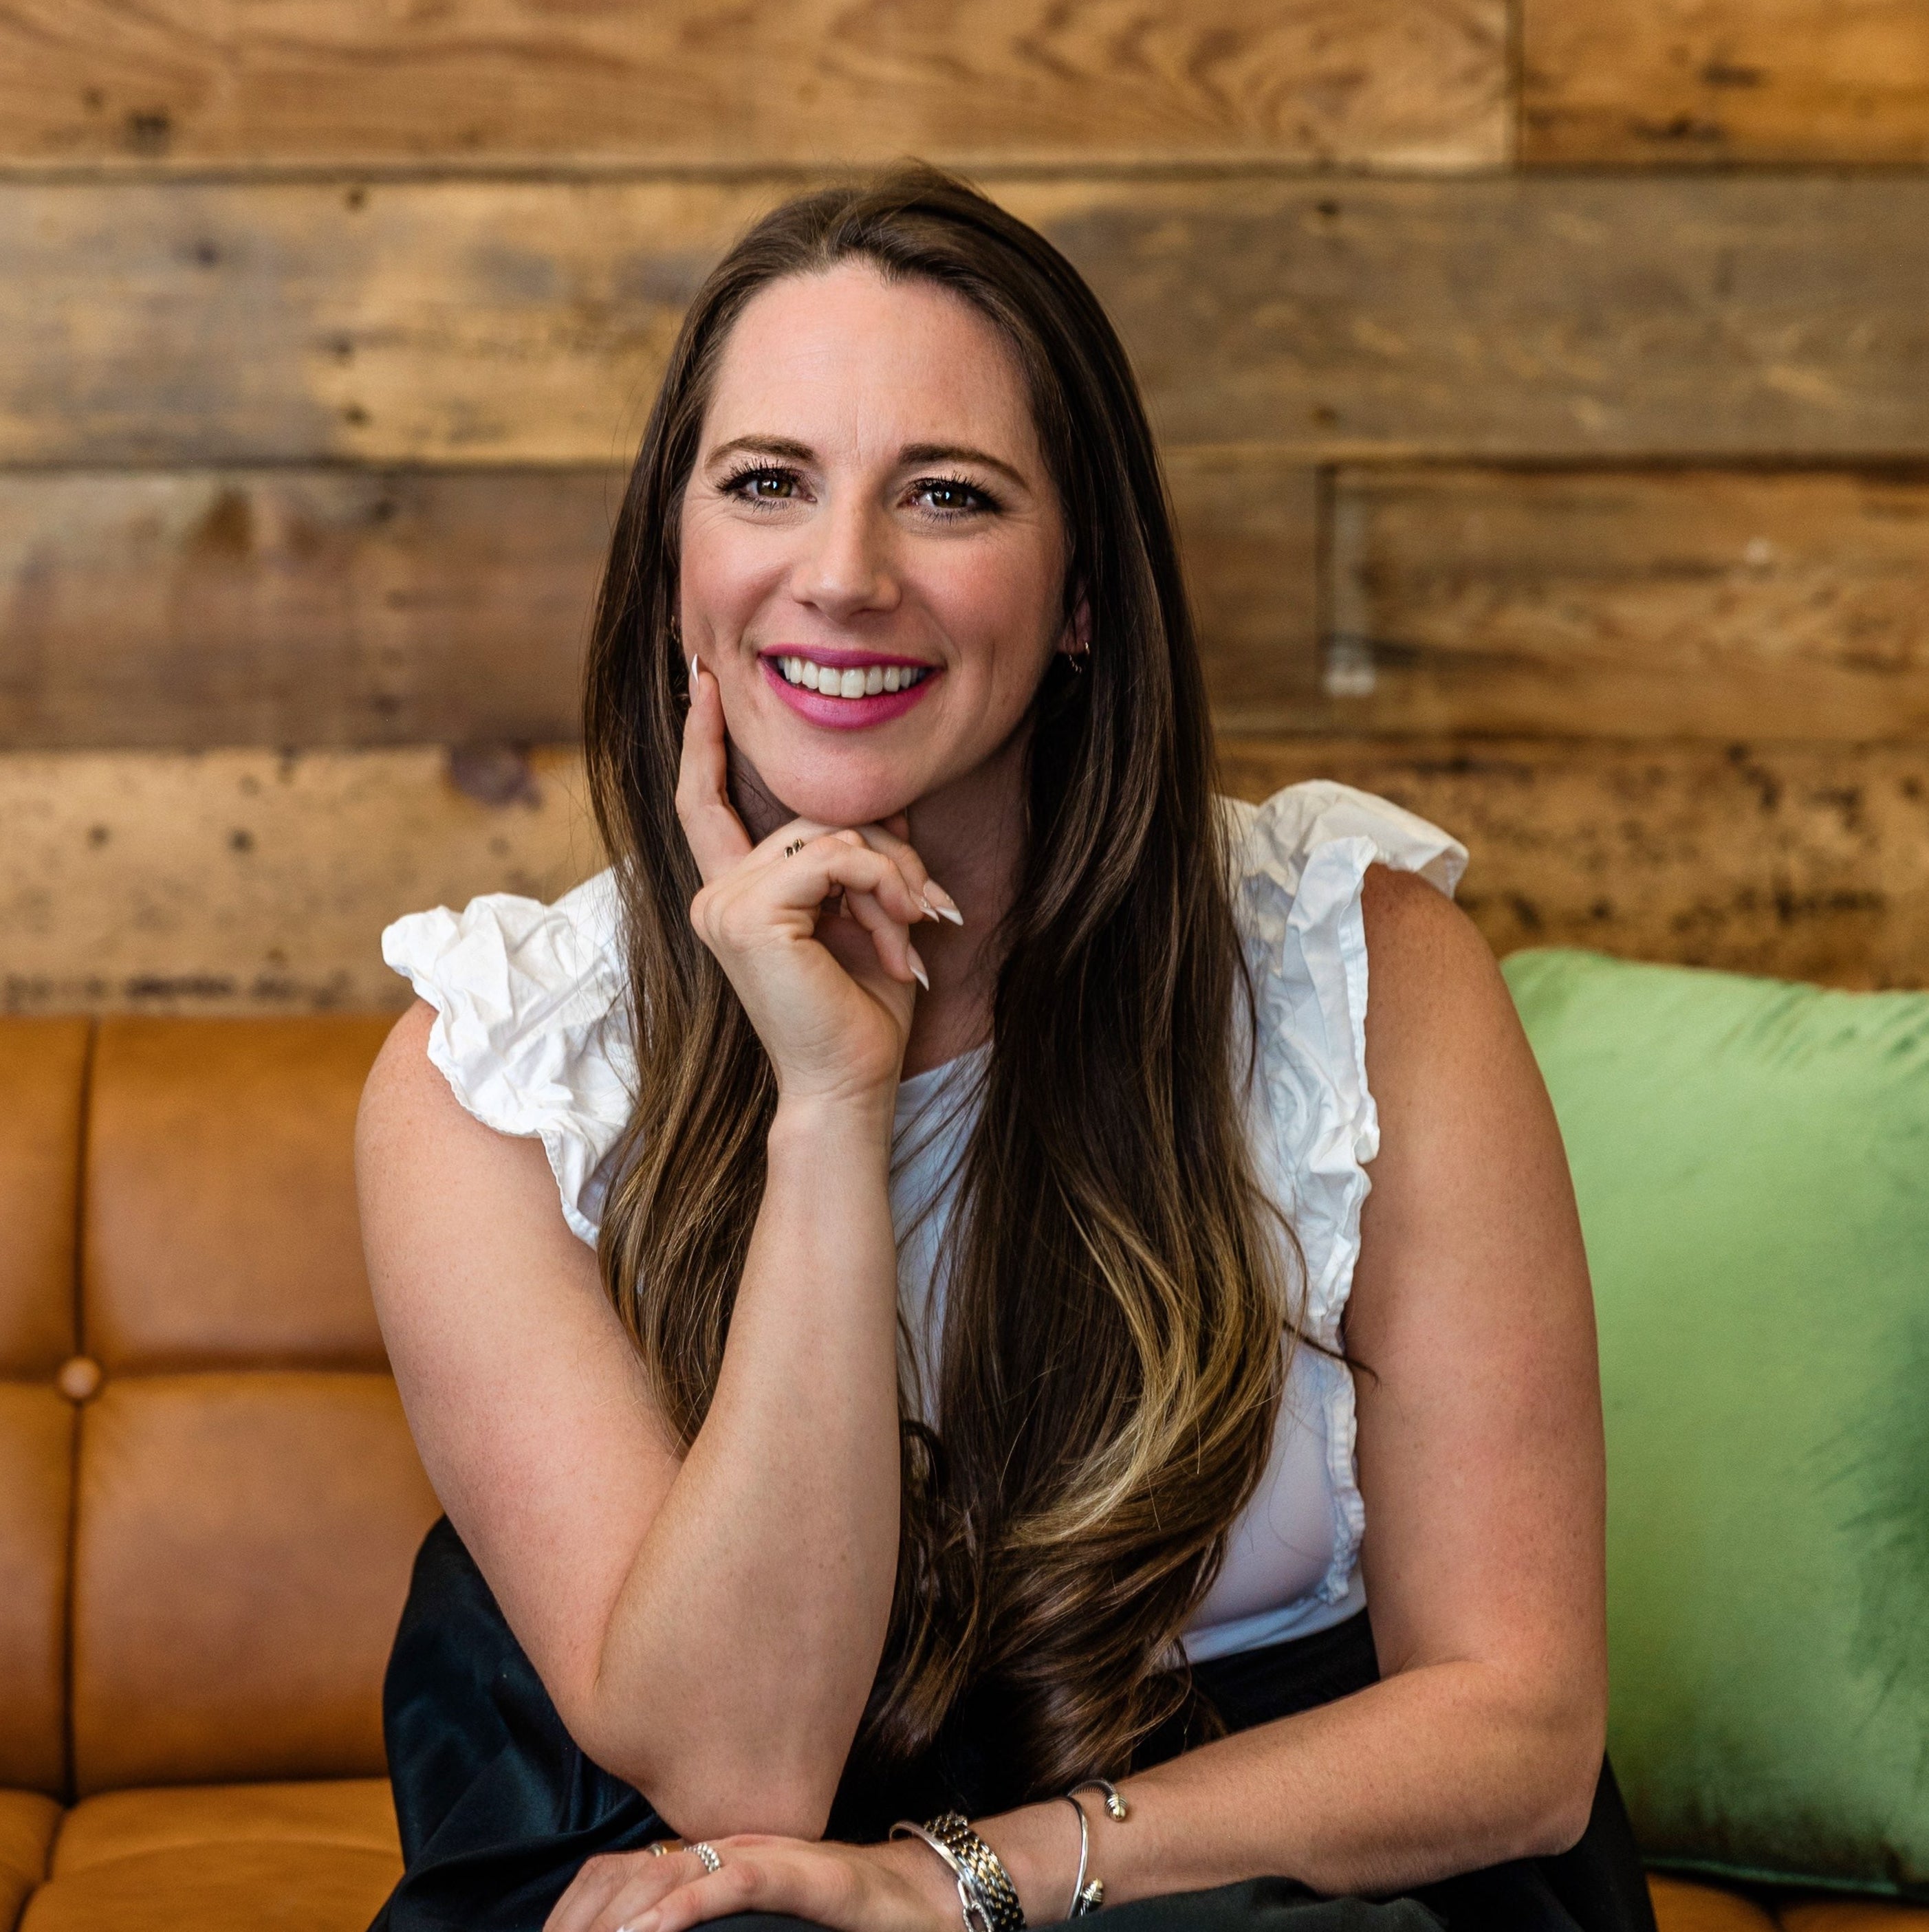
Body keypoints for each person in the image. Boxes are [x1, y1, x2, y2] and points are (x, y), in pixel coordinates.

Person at [356, 169, 1648, 1932]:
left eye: (947, 496)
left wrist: (961, 1879)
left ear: (1082, 599)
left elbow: (1517, 1729)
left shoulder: (1359, 977)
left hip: (1248, 1879)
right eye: (764, 485)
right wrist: (829, 1099)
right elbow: (739, 1773)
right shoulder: (493, 1075)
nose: (842, 575)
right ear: (678, 574)